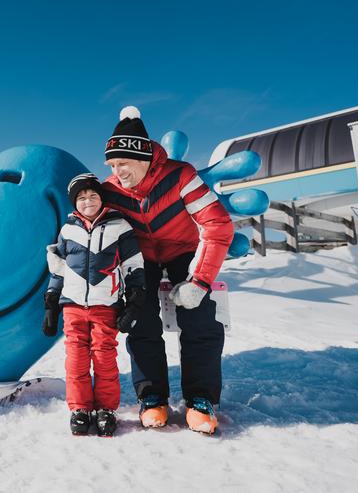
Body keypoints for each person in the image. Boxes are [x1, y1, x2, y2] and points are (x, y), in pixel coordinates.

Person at [99, 106, 233, 434]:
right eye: (112, 165)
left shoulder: (180, 175)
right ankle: (152, 397)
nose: (117, 172)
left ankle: (200, 399)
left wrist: (200, 281)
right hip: (140, 257)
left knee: (199, 319)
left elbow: (217, 224)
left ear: (143, 158)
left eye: (122, 163)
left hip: (183, 251)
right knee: (139, 320)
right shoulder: (110, 190)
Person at [43, 173, 145, 436]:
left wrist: (135, 299)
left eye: (93, 195)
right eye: (81, 197)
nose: (88, 201)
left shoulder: (119, 226)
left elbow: (133, 265)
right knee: (76, 359)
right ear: (74, 202)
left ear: (102, 198)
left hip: (105, 305)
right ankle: (80, 409)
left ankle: (105, 409)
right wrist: (51, 301)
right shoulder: (68, 230)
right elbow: (58, 268)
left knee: (104, 358)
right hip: (73, 306)